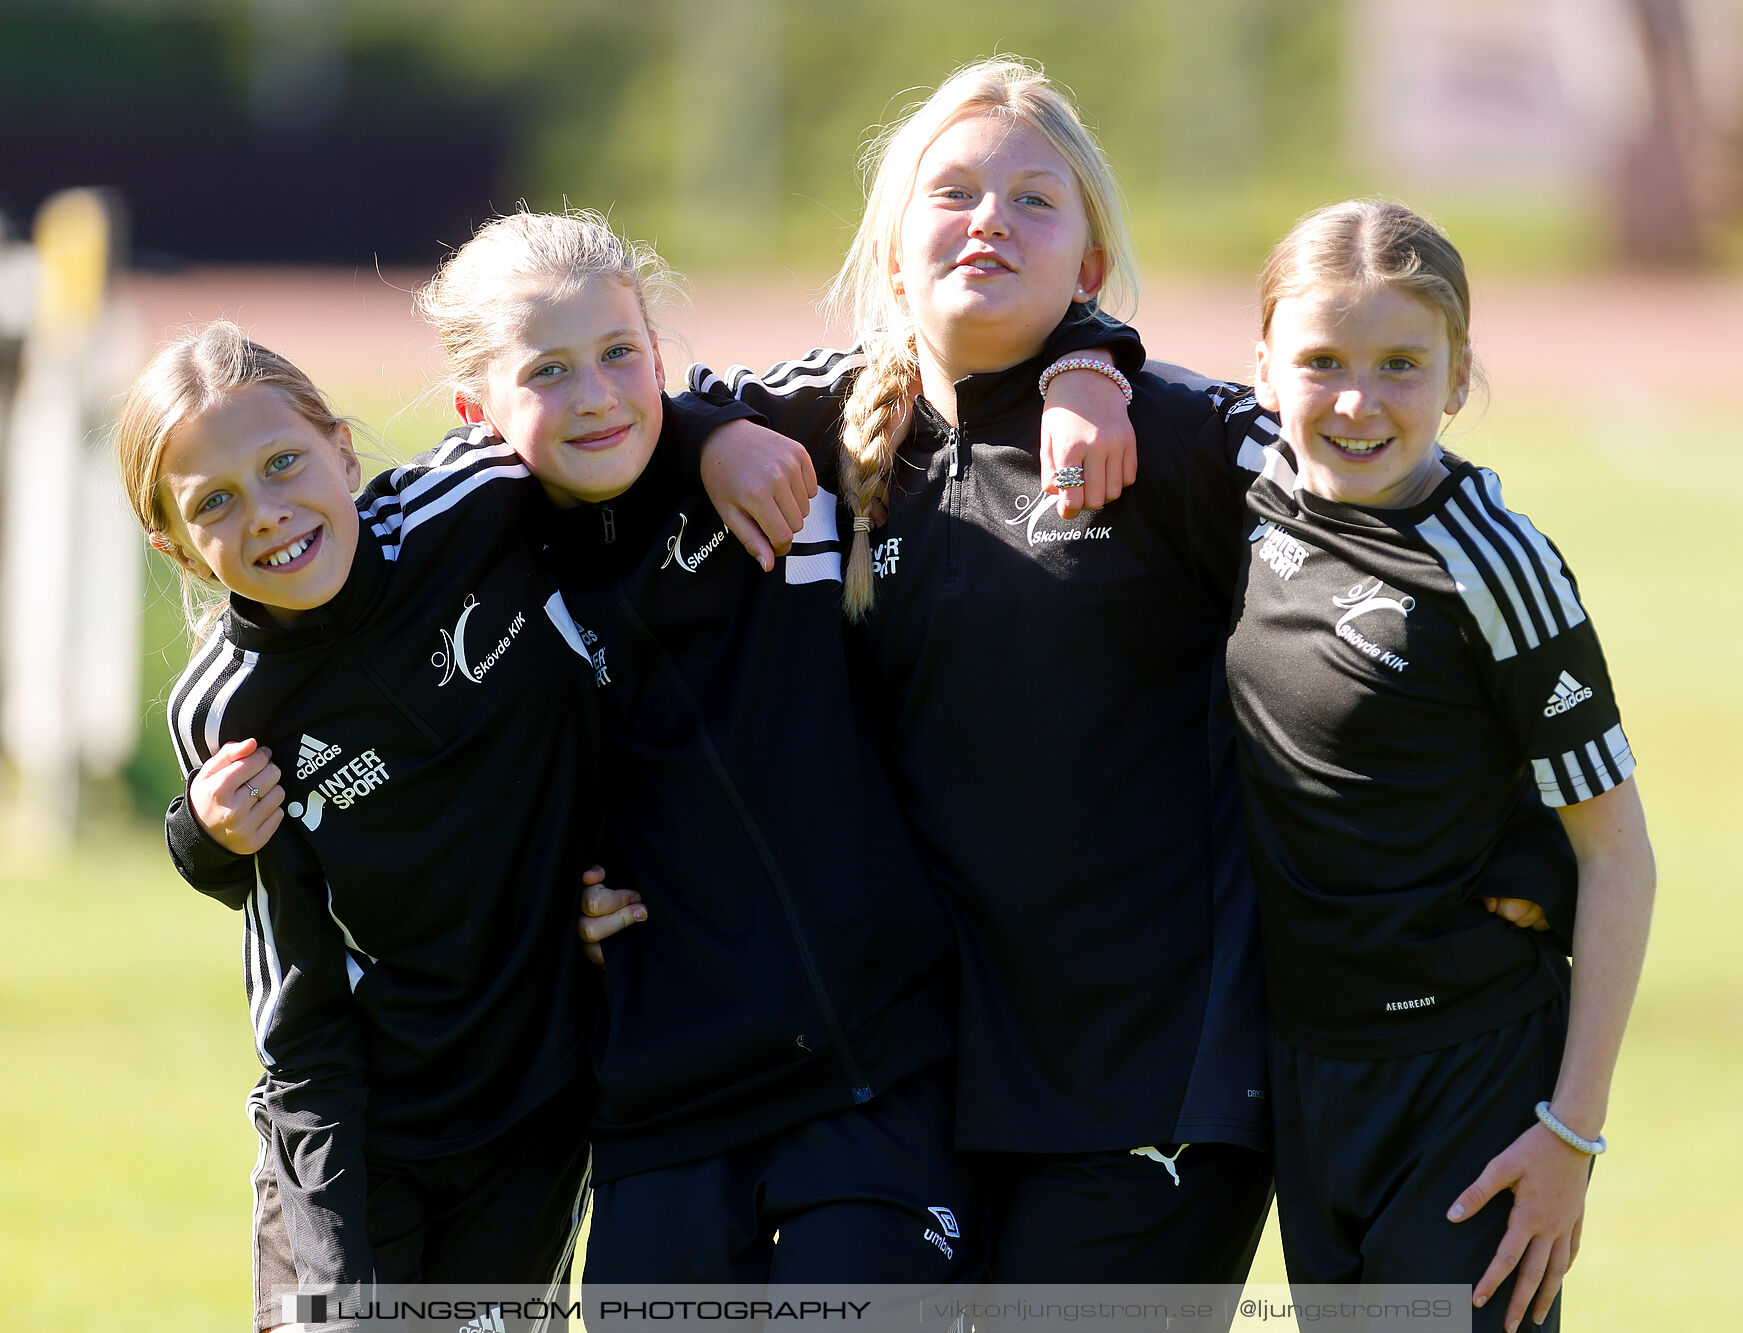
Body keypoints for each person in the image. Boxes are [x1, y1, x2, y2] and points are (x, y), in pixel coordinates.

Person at [687, 56, 1275, 1285]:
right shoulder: (834, 420)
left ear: (1091, 267)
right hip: (909, 1080)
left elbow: (1388, 539)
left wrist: (1095, 360)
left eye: (1034, 201)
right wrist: (712, 440)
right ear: (893, 252)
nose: (990, 221)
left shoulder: (1182, 438)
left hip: (1146, 1076)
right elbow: (629, 406)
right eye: (952, 194)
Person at [126, 322, 743, 1328]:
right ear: (175, 546)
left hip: (533, 1104)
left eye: (285, 461)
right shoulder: (225, 711)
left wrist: (717, 437)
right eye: (216, 504)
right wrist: (199, 837)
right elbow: (294, 979)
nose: (270, 513)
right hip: (355, 1125)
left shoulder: (476, 500)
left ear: (341, 445)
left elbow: (607, 415)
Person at [411, 208, 985, 1288]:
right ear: (473, 408)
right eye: (547, 371)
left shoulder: (779, 441)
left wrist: (698, 427)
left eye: (620, 353)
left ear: (660, 355)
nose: (595, 395)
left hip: (870, 1074)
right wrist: (542, 908)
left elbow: (956, 346)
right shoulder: (470, 577)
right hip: (657, 1115)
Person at [1223, 199, 1654, 1331]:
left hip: (1467, 1076)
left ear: (1459, 376)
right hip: (1309, 1075)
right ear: (1262, 368)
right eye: (1322, 362)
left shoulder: (1496, 566)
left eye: (1402, 364)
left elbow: (1617, 853)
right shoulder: (1239, 480)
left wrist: (1571, 1136)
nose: (1358, 401)